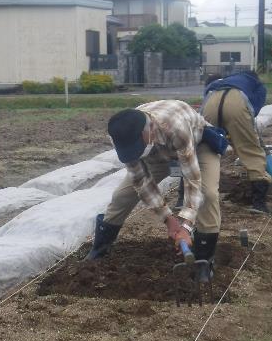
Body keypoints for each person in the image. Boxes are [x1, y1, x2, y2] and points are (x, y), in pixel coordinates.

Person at [85, 100, 230, 285]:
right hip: (156, 153)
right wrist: (168, 219)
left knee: (207, 194)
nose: (132, 151)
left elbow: (192, 180)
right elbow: (142, 181)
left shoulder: (176, 127)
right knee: (122, 196)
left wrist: (185, 227)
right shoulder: (123, 133)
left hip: (197, 144)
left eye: (137, 146)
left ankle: (203, 263)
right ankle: (98, 252)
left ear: (149, 130)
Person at [201, 71, 272, 215]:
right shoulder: (258, 86)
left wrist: (225, 133)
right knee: (251, 150)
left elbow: (207, 95)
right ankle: (259, 204)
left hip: (211, 102)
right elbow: (253, 111)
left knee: (204, 147)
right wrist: (242, 135)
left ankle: (188, 196)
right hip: (237, 105)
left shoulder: (224, 80)